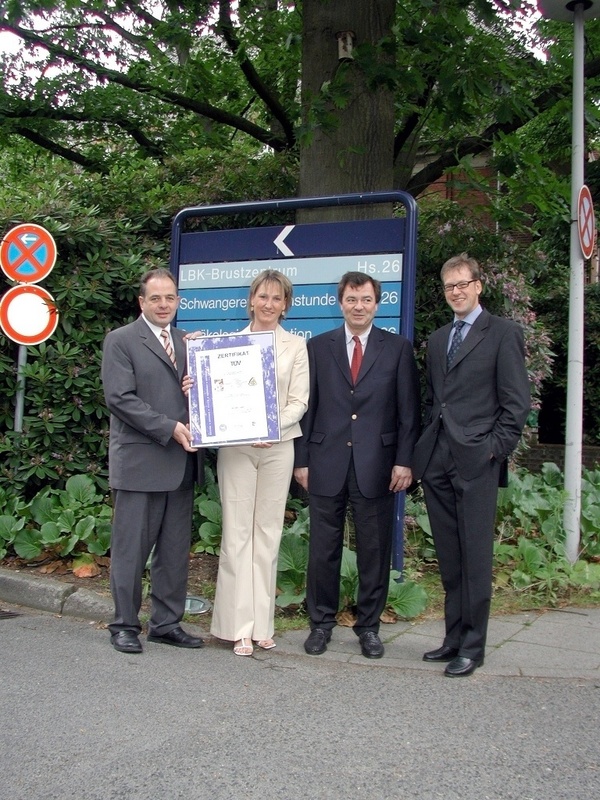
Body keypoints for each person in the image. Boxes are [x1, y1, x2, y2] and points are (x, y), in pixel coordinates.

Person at [412, 253, 530, 677]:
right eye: (449, 286)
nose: (457, 292)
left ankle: (474, 647)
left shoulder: (503, 333)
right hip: (439, 460)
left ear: (479, 285)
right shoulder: (440, 338)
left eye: (463, 283)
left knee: (476, 558)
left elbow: (516, 404)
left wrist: (492, 450)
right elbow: (435, 401)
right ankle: (453, 638)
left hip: (478, 460)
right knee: (449, 557)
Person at [293, 271, 420, 659]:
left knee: (374, 550)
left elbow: (409, 413)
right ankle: (321, 624)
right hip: (325, 461)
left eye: (366, 300)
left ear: (377, 304)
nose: (359, 306)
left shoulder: (397, 348)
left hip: (378, 464)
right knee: (323, 549)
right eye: (351, 299)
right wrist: (302, 461)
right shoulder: (317, 347)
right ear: (340, 302)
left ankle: (369, 626)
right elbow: (306, 408)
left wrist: (404, 461)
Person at [102, 267, 205, 654]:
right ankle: (124, 624)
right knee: (130, 551)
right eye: (156, 298)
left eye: (170, 298)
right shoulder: (121, 340)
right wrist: (171, 427)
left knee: (174, 551)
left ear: (178, 301)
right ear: (141, 302)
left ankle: (165, 623)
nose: (164, 305)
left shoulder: (187, 341)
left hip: (181, 463)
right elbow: (120, 399)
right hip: (142, 462)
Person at [206, 270, 309, 656]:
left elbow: (299, 401)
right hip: (236, 447)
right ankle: (236, 627)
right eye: (262, 296)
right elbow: (213, 392)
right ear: (251, 300)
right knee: (237, 534)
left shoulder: (296, 347)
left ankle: (262, 624)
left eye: (277, 298)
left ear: (286, 305)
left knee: (267, 535)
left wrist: (270, 425)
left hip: (279, 446)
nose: (268, 304)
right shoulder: (226, 345)